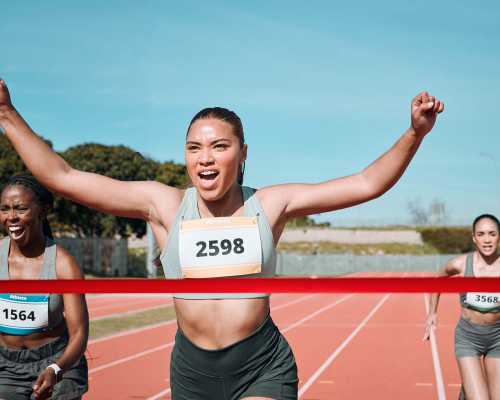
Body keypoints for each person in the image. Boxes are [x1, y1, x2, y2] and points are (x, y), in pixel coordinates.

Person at [0, 78, 443, 400]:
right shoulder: (164, 205)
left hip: (261, 366)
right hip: (191, 374)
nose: (206, 159)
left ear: (243, 153)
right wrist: (7, 113)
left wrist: (414, 133)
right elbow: (62, 176)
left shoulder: (270, 205)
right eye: (194, 148)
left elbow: (366, 183)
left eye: (219, 147)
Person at [0, 174, 89, 400]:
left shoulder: (63, 264)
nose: (11, 217)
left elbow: (79, 333)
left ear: (43, 210)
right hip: (6, 366)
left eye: (21, 209)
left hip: (59, 361)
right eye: (5, 209)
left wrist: (56, 370)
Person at [424, 214, 500, 400]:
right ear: (474, 238)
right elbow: (437, 280)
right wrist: (432, 312)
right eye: (481, 234)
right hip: (469, 338)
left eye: (492, 234)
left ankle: (466, 391)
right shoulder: (460, 264)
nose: (487, 240)